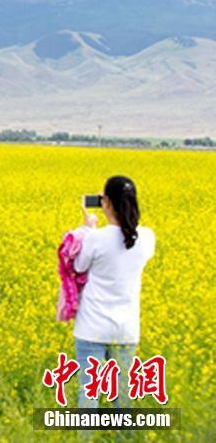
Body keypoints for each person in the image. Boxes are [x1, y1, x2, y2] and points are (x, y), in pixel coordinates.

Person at [72, 175, 155, 409]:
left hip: (92, 327)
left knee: (88, 395)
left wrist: (88, 228)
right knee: (123, 398)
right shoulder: (147, 238)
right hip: (126, 329)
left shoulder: (95, 238)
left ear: (105, 202)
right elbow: (128, 237)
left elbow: (79, 266)